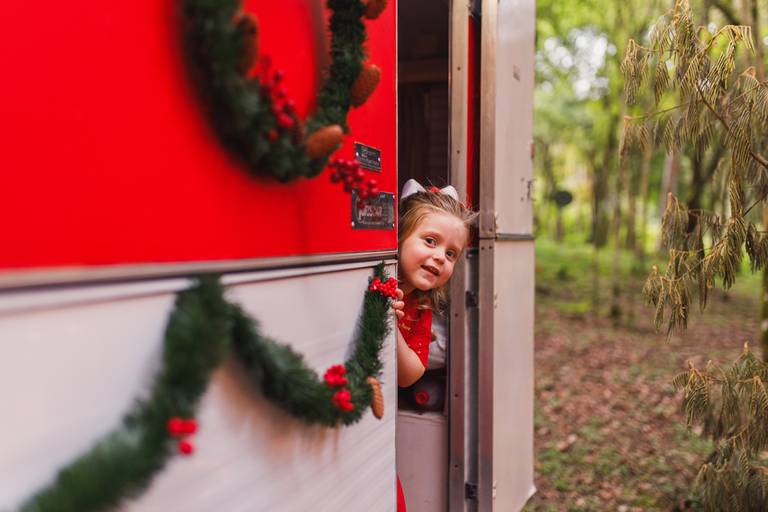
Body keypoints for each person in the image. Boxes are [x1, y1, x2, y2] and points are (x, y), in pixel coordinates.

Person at [390, 179, 477, 512]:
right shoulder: (376, 282)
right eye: (430, 241)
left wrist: (390, 324)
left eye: (451, 253)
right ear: (399, 236)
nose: (440, 257)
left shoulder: (420, 306)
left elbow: (410, 374)